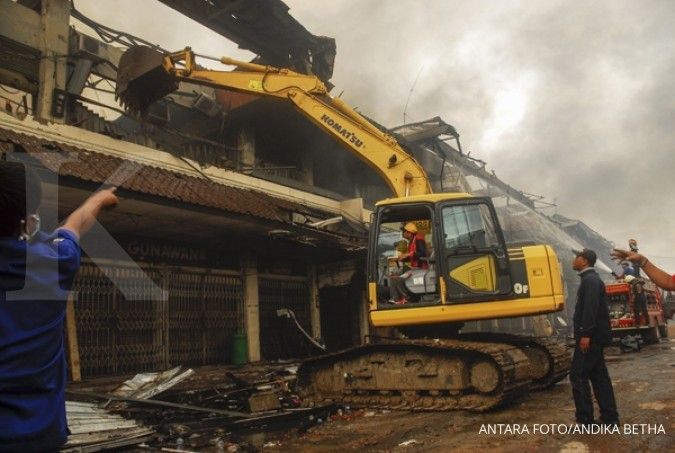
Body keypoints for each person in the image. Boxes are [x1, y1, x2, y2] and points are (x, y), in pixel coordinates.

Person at [0, 161, 118, 452]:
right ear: (28, 220)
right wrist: (98, 199)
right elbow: (75, 225)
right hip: (38, 434)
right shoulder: (55, 261)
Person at [570, 248, 620, 427]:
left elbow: (590, 310)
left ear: (584, 261)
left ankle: (585, 420)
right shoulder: (591, 279)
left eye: (577, 257)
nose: (573, 260)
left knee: (578, 375)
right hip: (595, 338)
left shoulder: (590, 281)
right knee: (599, 377)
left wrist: (585, 334)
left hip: (590, 338)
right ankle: (610, 418)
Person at [387, 222, 428, 304]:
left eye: (404, 232)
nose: (403, 234)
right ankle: (395, 298)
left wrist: (408, 254)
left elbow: (423, 254)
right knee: (393, 276)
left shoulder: (419, 239)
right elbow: (414, 257)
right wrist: (401, 259)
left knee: (398, 280)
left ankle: (407, 298)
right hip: (414, 269)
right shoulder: (412, 241)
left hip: (420, 269)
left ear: (409, 232)